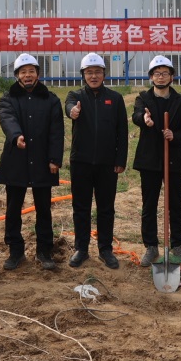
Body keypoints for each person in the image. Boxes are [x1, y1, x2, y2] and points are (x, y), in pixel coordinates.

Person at [0, 54, 65, 271]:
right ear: (17, 75)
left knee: (44, 208)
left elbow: (57, 132)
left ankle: (44, 251)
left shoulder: (51, 100)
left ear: (38, 74)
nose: (28, 75)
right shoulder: (7, 98)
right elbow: (7, 118)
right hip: (16, 159)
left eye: (31, 71)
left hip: (43, 161)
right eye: (23, 72)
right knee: (13, 208)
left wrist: (54, 159)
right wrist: (16, 136)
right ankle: (15, 251)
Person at [65, 53, 129, 269]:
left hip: (107, 163)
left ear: (104, 74)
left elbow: (122, 131)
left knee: (106, 208)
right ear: (83, 75)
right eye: (89, 72)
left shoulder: (115, 98)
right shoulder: (75, 96)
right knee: (80, 207)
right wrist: (72, 111)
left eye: (98, 72)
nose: (93, 76)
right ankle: (81, 249)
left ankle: (105, 249)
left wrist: (120, 159)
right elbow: (69, 106)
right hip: (81, 162)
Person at [131, 55, 181, 266]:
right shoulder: (143, 99)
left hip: (173, 159)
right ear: (151, 77)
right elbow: (137, 115)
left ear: (171, 77)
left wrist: (175, 136)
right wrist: (145, 120)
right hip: (149, 160)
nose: (161, 77)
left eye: (165, 73)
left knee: (175, 203)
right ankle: (151, 247)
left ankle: (177, 244)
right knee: (149, 204)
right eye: (157, 73)